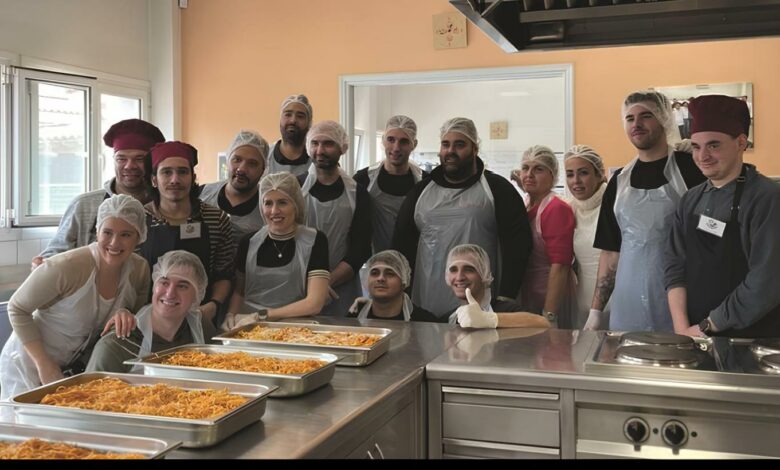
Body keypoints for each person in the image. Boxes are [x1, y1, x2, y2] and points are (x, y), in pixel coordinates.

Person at [0, 195, 150, 399]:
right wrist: (44, 364)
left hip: (71, 369)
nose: (115, 243)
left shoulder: (139, 271)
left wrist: (125, 312)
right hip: (28, 363)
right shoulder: (68, 266)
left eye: (126, 234)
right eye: (107, 232)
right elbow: (17, 308)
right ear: (97, 231)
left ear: (139, 236)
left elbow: (134, 314)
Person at [587, 90, 706, 332]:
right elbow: (611, 253)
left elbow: (711, 239)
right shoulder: (619, 181)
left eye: (646, 116)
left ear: (664, 119)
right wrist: (596, 311)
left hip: (682, 305)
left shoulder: (691, 171)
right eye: (630, 118)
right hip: (627, 305)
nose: (636, 124)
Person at [665, 95, 780, 338]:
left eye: (714, 145)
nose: (702, 156)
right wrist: (683, 329)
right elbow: (674, 264)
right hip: (695, 335)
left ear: (741, 143)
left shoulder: (766, 199)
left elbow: (766, 282)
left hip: (750, 339)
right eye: (696, 147)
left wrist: (708, 326)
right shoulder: (690, 199)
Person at [394, 117, 532, 318]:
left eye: (459, 145)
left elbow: (518, 246)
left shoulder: (497, 190)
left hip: (481, 306)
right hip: (425, 302)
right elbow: (401, 244)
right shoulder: (420, 192)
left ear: (475, 149)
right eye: (445, 144)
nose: (450, 151)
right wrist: (399, 294)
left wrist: (506, 295)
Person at [32, 119, 164, 268]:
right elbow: (55, 254)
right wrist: (43, 263)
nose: (129, 166)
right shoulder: (84, 205)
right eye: (121, 159)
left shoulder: (165, 205)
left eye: (140, 159)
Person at [140, 141, 234, 326]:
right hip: (148, 318)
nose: (175, 180)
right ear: (154, 180)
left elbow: (224, 274)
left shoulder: (216, 219)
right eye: (167, 172)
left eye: (182, 172)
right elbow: (130, 275)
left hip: (200, 317)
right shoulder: (139, 219)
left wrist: (213, 306)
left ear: (193, 177)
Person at [222, 172, 331, 328]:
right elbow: (239, 292)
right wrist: (230, 315)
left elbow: (314, 303)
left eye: (282, 203)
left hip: (295, 328)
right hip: (249, 327)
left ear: (296, 204)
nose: (274, 211)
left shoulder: (314, 241)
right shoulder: (249, 242)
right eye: (268, 203)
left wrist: (262, 315)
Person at [87, 251, 217, 372]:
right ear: (154, 287)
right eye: (164, 282)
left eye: (182, 286)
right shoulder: (117, 344)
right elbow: (91, 388)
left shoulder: (202, 329)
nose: (170, 294)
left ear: (197, 295)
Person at [300, 121, 372, 317]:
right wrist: (312, 286)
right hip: (299, 285)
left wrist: (325, 283)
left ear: (342, 148)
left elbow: (360, 248)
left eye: (328, 144)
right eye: (315, 143)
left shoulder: (357, 193)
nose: (320, 150)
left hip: (342, 288)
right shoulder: (295, 187)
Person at [514, 145, 576, 328]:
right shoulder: (526, 203)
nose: (529, 174)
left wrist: (549, 315)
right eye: (525, 168)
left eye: (538, 169)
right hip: (529, 295)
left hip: (551, 298)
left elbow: (560, 265)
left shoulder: (556, 208)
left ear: (553, 175)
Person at [353, 115, 425, 253]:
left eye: (404, 141)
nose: (396, 148)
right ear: (383, 141)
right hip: (373, 260)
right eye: (391, 140)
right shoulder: (363, 180)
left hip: (414, 261)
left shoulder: (425, 183)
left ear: (414, 145)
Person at [445, 244, 550, 329]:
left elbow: (542, 323)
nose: (459, 277)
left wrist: (488, 319)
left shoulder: (505, 309)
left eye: (469, 270)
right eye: (453, 270)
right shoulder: (450, 318)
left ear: (484, 274)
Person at [563, 145, 609, 329]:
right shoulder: (571, 209)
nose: (576, 181)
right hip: (582, 302)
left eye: (583, 173)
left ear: (599, 174)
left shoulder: (614, 204)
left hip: (616, 300)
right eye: (570, 174)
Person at [199, 130, 269, 250]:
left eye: (252, 164)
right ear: (228, 160)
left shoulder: (269, 206)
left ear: (263, 170)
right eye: (237, 160)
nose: (241, 169)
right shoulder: (202, 194)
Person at [350, 250, 439, 322]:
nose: (380, 278)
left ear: (404, 281)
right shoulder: (354, 317)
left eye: (390, 273)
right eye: (374, 273)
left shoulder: (424, 321)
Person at [266, 94, 314, 177]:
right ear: (280, 119)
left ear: (309, 123)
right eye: (288, 115)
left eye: (300, 116)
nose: (293, 120)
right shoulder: (265, 157)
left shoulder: (316, 160)